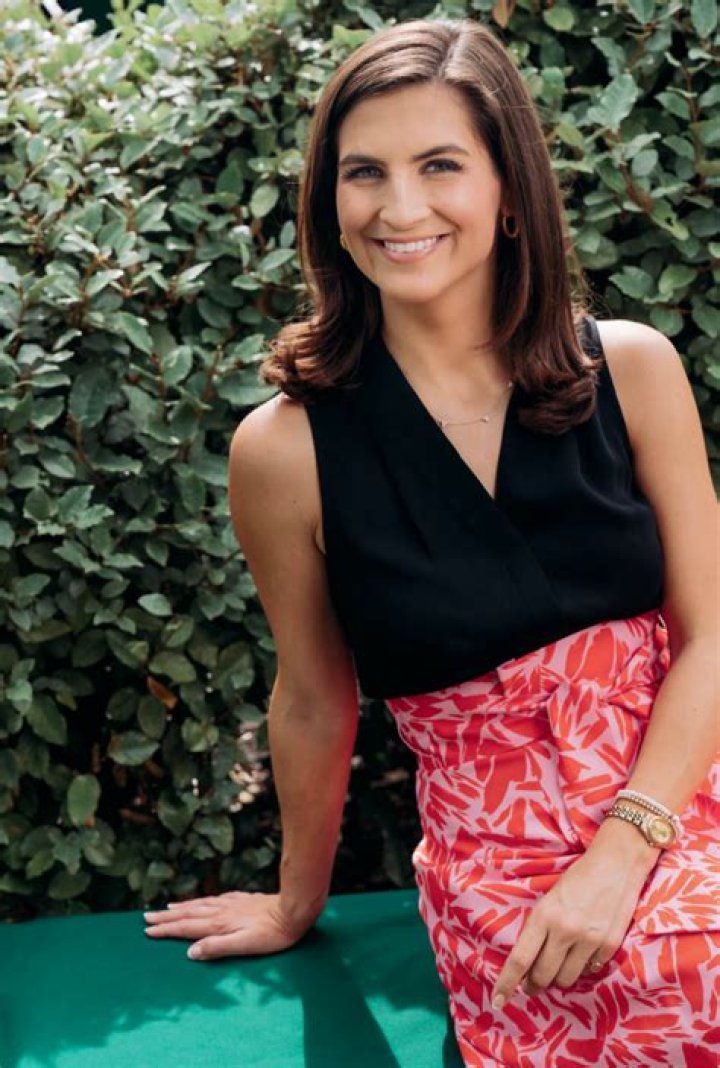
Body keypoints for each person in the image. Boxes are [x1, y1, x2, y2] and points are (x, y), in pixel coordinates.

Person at [144, 17, 719, 1066]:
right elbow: (314, 696)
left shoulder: (633, 369)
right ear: (329, 203)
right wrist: (293, 902)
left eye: (440, 165)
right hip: (503, 856)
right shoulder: (283, 452)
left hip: (681, 790)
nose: (400, 208)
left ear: (511, 193)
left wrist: (625, 848)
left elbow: (713, 637)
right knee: (671, 983)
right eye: (364, 172)